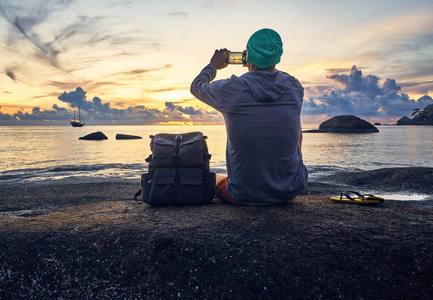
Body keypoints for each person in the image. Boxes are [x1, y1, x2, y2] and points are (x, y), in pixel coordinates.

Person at [190, 28, 308, 206]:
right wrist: (257, 63)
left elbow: (197, 86)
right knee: (296, 126)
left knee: (217, 180)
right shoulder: (294, 87)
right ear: (277, 57)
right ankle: (284, 176)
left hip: (244, 195)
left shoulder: (230, 89)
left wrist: (213, 65)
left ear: (247, 56)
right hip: (290, 190)